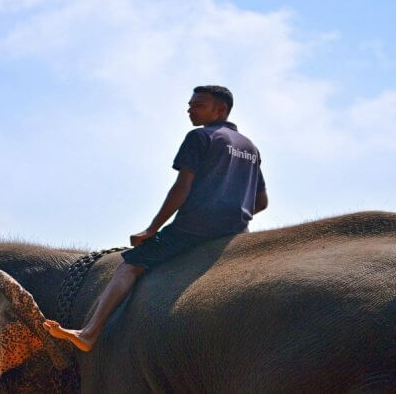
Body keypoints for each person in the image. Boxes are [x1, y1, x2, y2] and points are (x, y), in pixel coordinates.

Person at [43, 85, 268, 352]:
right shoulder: (250, 148)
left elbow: (181, 188)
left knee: (130, 265)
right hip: (235, 232)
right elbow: (262, 202)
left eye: (198, 105)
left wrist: (152, 229)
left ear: (220, 109)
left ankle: (89, 332)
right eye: (190, 105)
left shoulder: (200, 137)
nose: (190, 110)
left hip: (194, 229)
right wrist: (231, 216)